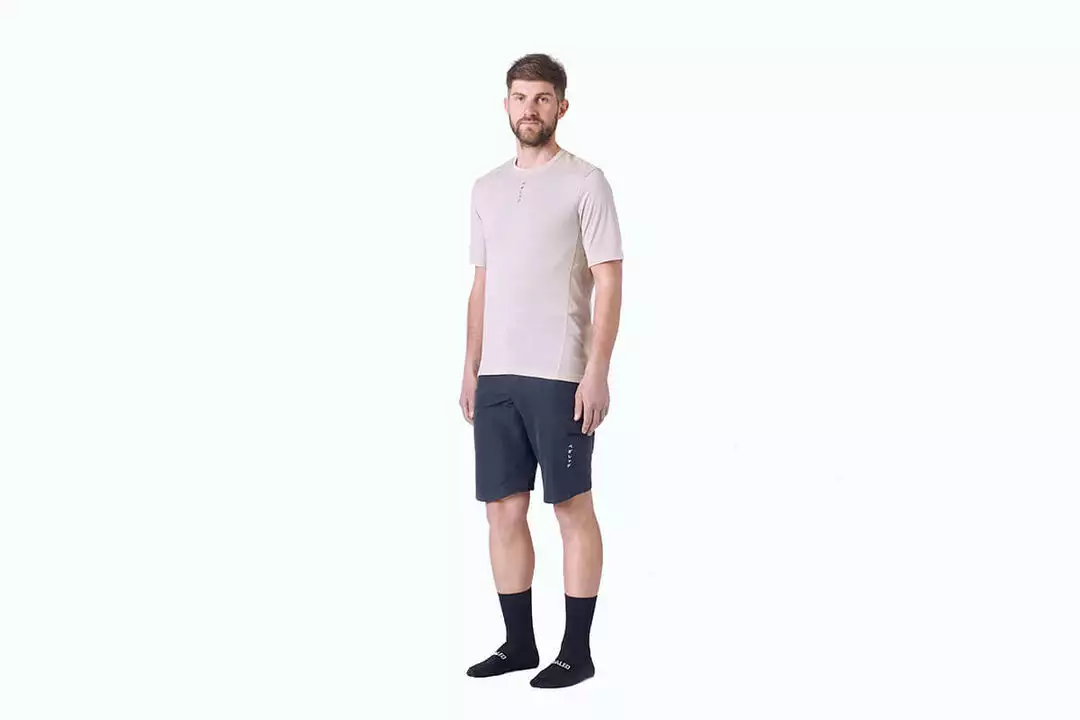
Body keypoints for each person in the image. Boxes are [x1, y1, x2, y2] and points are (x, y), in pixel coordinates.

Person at [458, 53, 624, 690]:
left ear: (561, 106)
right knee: (502, 512)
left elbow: (609, 281)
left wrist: (597, 370)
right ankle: (518, 644)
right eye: (520, 97)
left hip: (560, 375)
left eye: (542, 98)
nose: (530, 109)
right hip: (497, 378)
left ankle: (576, 653)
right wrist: (471, 369)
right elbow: (481, 285)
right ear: (506, 104)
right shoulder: (485, 188)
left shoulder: (587, 182)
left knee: (571, 508)